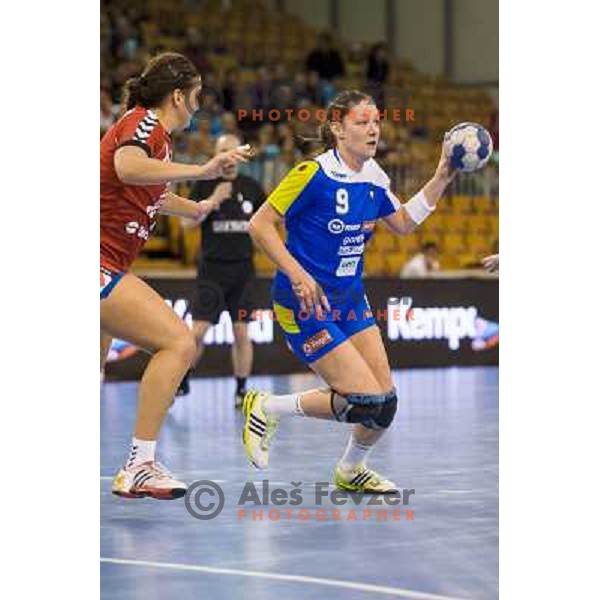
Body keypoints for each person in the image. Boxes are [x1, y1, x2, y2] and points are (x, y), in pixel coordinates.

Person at [243, 90, 455, 493]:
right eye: (362, 122)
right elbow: (259, 225)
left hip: (350, 301)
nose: (373, 128)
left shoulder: (375, 177)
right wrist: (298, 274)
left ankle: (350, 469)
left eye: (376, 120)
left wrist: (443, 173)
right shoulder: (311, 174)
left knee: (384, 405)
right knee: (364, 401)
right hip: (304, 303)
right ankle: (267, 406)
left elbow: (405, 223)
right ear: (338, 130)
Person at [100, 52, 252, 500]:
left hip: (105, 262)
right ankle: (140, 465)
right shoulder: (145, 124)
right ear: (178, 96)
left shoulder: (154, 138)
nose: (198, 106)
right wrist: (201, 171)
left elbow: (148, 191)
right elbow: (127, 168)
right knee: (179, 342)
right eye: (197, 97)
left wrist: (198, 206)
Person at [178, 134, 266, 405]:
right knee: (198, 332)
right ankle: (183, 380)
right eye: (223, 151)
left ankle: (241, 390)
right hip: (212, 271)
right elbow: (185, 224)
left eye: (233, 151)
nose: (228, 155)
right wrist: (214, 199)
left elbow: (268, 223)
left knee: (242, 332)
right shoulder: (205, 186)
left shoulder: (252, 186)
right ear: (216, 154)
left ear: (241, 155)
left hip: (243, 272)